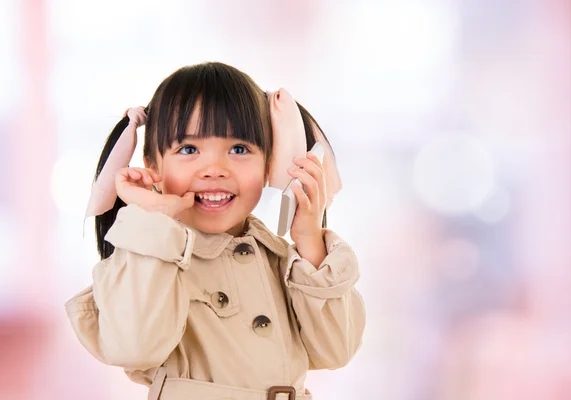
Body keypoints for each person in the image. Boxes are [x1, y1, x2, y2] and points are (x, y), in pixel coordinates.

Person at [65, 62, 365, 400]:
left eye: (239, 149)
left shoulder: (281, 259)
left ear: (271, 163)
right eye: (188, 150)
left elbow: (336, 349)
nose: (214, 170)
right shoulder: (144, 256)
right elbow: (134, 347)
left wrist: (310, 239)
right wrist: (154, 215)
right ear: (152, 166)